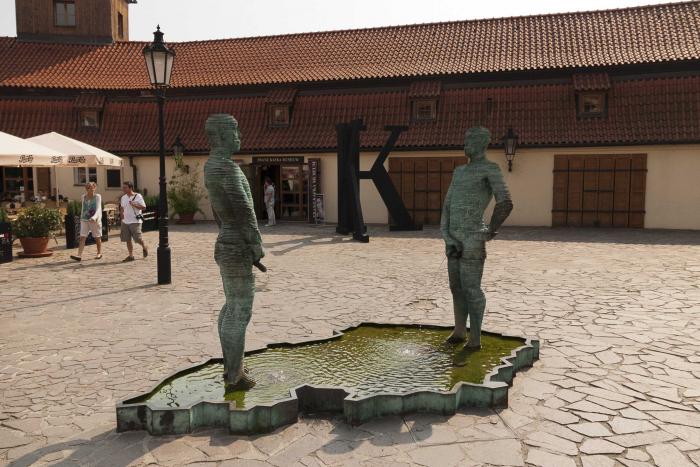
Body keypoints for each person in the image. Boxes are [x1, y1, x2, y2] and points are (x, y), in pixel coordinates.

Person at [441, 127, 513, 349]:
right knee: (456, 287)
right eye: (465, 140)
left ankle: (475, 339)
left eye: (469, 141)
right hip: (453, 238)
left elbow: (505, 201)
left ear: (481, 143)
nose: (465, 145)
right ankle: (459, 331)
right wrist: (446, 236)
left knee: (471, 288)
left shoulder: (490, 169)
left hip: (473, 238)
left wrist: (490, 230)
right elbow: (447, 206)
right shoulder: (459, 171)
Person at [70, 182, 102, 262]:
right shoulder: (83, 197)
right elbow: (83, 208)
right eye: (89, 187)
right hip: (84, 219)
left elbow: (98, 208)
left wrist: (94, 217)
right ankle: (79, 255)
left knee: (97, 237)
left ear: (95, 188)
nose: (91, 189)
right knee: (82, 237)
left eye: (92, 187)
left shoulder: (97, 196)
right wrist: (81, 218)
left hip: (94, 220)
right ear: (86, 189)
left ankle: (99, 253)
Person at [119, 181, 149, 262]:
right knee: (127, 239)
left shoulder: (138, 196)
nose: (123, 189)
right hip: (125, 221)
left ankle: (144, 246)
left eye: (125, 187)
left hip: (135, 221)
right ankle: (131, 256)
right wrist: (121, 214)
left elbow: (143, 207)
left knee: (138, 238)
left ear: (130, 188)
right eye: (123, 187)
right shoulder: (123, 197)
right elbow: (122, 207)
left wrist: (134, 204)